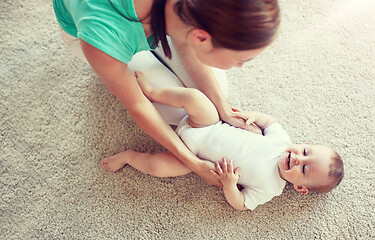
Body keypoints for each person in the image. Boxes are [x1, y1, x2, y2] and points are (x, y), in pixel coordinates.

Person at [53, 0, 280, 187]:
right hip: (99, 34)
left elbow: (184, 40)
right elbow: (139, 105)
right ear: (200, 38)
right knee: (177, 113)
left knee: (212, 95)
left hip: (154, 20)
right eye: (240, 60)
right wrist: (193, 163)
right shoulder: (102, 35)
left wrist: (223, 108)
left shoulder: (190, 15)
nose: (240, 66)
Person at [101, 71, 345, 211]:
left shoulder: (271, 188)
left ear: (300, 188)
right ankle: (153, 92)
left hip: (195, 160)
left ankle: (129, 157)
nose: (297, 157)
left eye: (303, 168)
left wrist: (230, 185)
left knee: (159, 167)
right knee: (195, 98)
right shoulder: (281, 140)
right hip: (208, 124)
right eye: (305, 150)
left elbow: (240, 205)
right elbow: (270, 122)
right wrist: (253, 117)